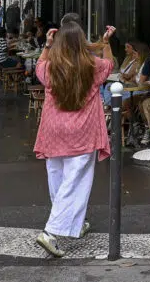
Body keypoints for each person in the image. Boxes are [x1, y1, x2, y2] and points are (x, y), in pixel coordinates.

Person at [33, 22, 114, 257]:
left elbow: (39, 66)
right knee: (74, 182)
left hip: (54, 130)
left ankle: (74, 224)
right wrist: (106, 43)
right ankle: (51, 231)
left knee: (57, 178)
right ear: (81, 41)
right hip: (82, 131)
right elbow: (109, 65)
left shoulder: (51, 66)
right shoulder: (92, 65)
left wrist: (47, 46)